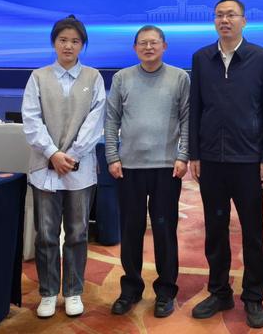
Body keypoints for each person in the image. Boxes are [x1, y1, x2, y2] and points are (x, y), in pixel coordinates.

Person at [189, 0, 263, 329]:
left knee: (253, 232)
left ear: (244, 20)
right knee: (215, 230)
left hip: (248, 161)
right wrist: (195, 153)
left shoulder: (262, 58)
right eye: (219, 15)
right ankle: (219, 291)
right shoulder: (201, 58)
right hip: (211, 160)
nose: (224, 20)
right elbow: (195, 109)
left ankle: (253, 296)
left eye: (231, 15)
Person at [22, 15, 106, 319]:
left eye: (75, 41)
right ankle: (47, 292)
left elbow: (95, 121)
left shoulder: (94, 77)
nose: (68, 46)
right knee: (45, 233)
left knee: (77, 233)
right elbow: (31, 120)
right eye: (63, 40)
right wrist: (53, 153)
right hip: (45, 167)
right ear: (54, 43)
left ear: (82, 45)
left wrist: (71, 155)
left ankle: (73, 291)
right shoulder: (38, 77)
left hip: (79, 170)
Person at [104, 25, 190, 318]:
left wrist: (183, 155)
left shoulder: (179, 77)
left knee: (165, 231)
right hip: (129, 168)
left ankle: (166, 291)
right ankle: (130, 288)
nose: (148, 47)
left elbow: (187, 119)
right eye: (143, 43)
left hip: (167, 168)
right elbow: (112, 119)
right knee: (131, 230)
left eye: (154, 43)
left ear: (164, 46)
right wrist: (112, 156)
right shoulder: (122, 78)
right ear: (135, 48)